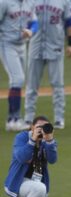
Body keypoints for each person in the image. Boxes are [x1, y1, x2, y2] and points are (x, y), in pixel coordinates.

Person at [24, 0, 71, 130]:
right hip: (35, 47)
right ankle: (28, 118)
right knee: (31, 85)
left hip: (55, 47)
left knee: (58, 85)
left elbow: (70, 22)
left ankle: (59, 118)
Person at [4, 115, 58, 197]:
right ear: (32, 127)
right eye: (39, 127)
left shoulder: (47, 140)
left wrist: (49, 141)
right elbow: (22, 157)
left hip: (36, 186)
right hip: (19, 183)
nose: (41, 130)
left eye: (45, 127)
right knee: (40, 188)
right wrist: (32, 140)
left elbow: (53, 160)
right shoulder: (21, 137)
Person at [0, 0, 38, 131]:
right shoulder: (4, 2)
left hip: (22, 46)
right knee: (18, 78)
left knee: (16, 81)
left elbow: (34, 22)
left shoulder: (30, 2)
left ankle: (12, 120)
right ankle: (14, 119)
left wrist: (31, 31)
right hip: (7, 45)